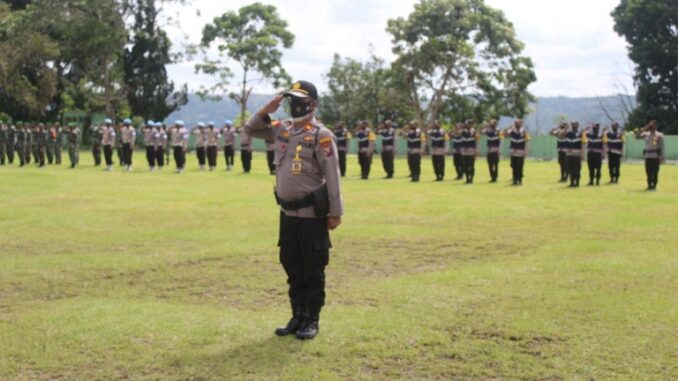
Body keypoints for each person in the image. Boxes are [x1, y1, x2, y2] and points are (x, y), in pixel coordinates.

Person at [243, 80, 342, 340]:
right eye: (291, 99)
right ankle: (297, 315)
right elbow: (251, 128)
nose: (294, 104)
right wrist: (267, 108)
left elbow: (332, 176)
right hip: (287, 214)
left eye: (300, 99)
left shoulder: (321, 135)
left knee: (312, 268)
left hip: (312, 215)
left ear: (313, 103)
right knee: (292, 265)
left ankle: (312, 319)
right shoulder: (282, 130)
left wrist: (335, 212)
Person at [635, 120, 665, 190]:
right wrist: (643, 129)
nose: (651, 126)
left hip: (655, 156)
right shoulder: (646, 134)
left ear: (655, 126)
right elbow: (636, 137)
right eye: (650, 125)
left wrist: (661, 157)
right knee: (648, 171)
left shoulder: (659, 135)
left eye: (652, 125)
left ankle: (654, 185)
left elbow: (662, 147)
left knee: (655, 171)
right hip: (648, 155)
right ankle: (649, 184)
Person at [504, 119, 530, 185]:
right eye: (516, 123)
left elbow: (527, 141)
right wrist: (509, 127)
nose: (517, 124)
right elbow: (505, 134)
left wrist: (526, 151)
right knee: (513, 166)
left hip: (521, 152)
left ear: (521, 124)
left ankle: (520, 180)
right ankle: (515, 180)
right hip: (513, 152)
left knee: (520, 166)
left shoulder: (524, 132)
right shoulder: (512, 131)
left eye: (518, 123)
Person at [561, 121, 586, 187]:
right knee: (570, 169)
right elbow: (562, 136)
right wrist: (566, 128)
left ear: (577, 125)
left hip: (577, 155)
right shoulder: (569, 133)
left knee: (577, 169)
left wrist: (582, 155)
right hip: (569, 154)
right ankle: (572, 183)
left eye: (574, 125)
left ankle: (577, 182)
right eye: (572, 125)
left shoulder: (581, 133)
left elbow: (583, 145)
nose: (573, 126)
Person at [460, 120, 479, 184]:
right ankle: (467, 178)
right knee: (465, 165)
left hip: (471, 151)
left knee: (471, 165)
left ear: (471, 124)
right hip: (464, 151)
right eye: (466, 124)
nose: (467, 125)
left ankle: (471, 178)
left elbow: (477, 142)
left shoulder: (475, 132)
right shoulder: (463, 131)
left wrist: (476, 151)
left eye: (468, 124)